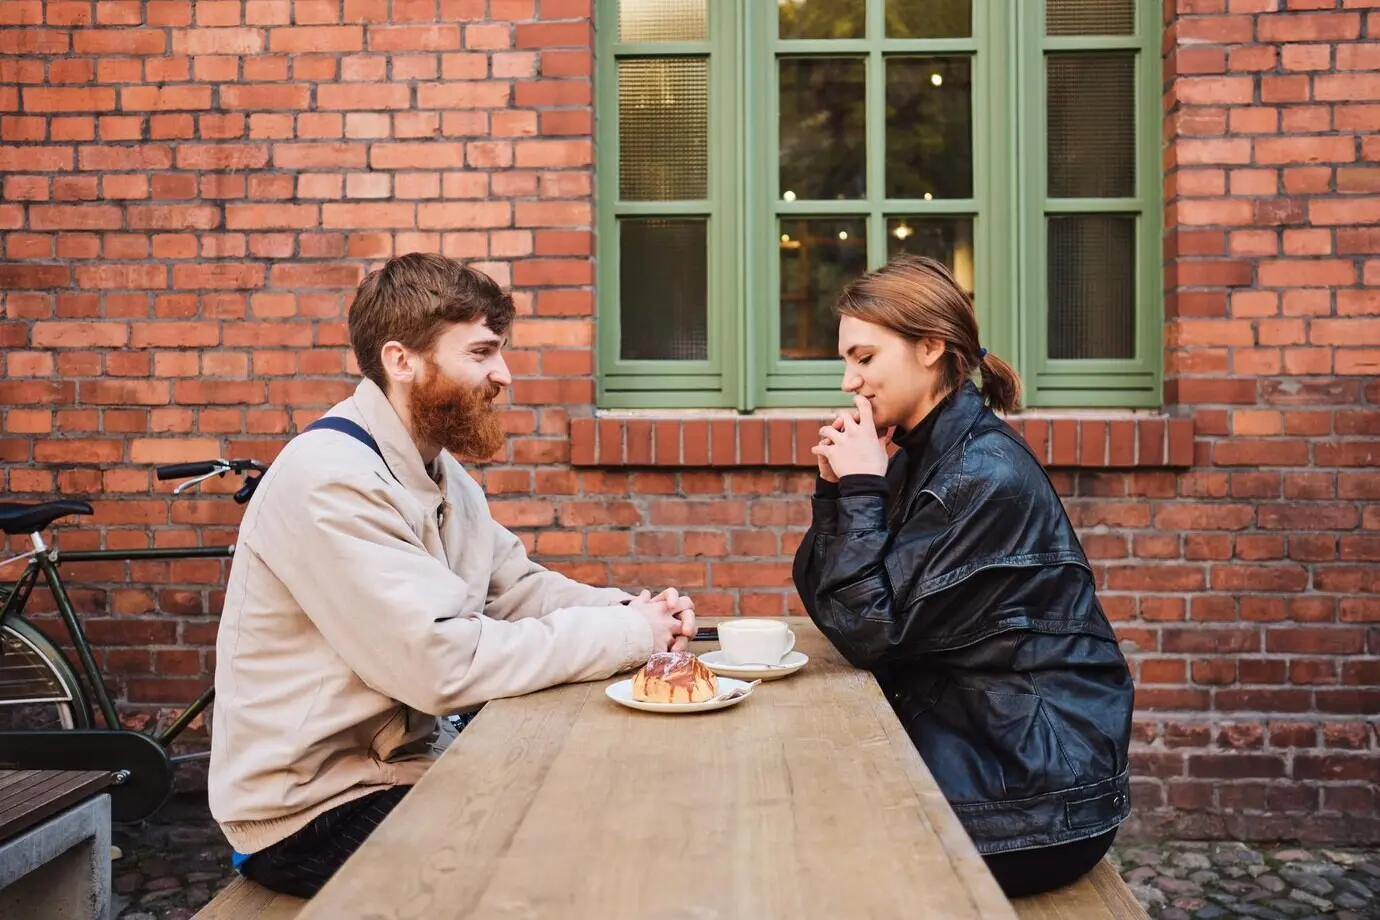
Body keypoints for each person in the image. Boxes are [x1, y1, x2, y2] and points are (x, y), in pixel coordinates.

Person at [208, 253, 696, 898]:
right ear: (401, 361)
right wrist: (627, 635)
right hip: (310, 813)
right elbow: (439, 663)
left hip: (403, 772)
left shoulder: (436, 471)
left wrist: (637, 612)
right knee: (577, 865)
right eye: (481, 353)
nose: (505, 374)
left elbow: (515, 589)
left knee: (622, 798)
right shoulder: (331, 478)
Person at [791, 255, 1134, 898]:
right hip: (979, 750)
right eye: (846, 361)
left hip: (1035, 799)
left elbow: (869, 630)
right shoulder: (928, 454)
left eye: (864, 358)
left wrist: (863, 488)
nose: (848, 381)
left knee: (799, 842)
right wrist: (841, 491)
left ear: (930, 347)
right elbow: (835, 605)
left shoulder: (981, 474)